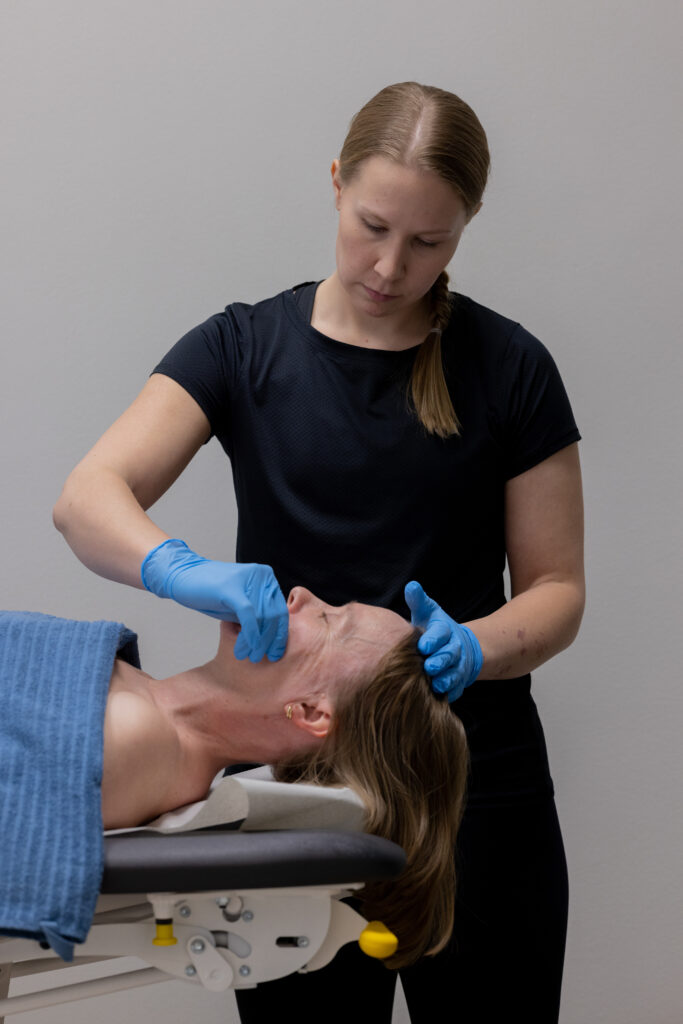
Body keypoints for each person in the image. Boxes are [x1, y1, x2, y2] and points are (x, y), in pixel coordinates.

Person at [53, 82, 584, 1021]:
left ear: (463, 228)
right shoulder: (243, 347)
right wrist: (179, 569)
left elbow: (556, 587)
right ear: (336, 183)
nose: (389, 265)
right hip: (291, 793)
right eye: (372, 226)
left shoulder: (510, 368)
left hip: (471, 785)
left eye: (428, 242)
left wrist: (478, 646)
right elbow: (87, 498)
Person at [0, 589, 466, 968]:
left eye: (328, 619)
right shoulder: (144, 711)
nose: (300, 594)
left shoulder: (133, 737)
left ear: (310, 711)